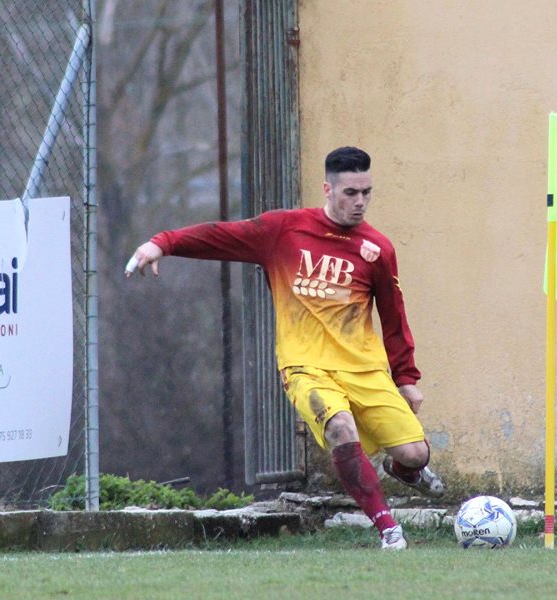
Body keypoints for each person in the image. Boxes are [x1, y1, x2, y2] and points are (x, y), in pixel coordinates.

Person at [126, 146, 444, 550]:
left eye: (366, 192)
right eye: (350, 193)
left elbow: (394, 315)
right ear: (328, 189)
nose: (360, 202)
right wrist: (163, 243)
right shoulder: (284, 230)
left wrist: (406, 378)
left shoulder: (377, 248)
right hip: (305, 366)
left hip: (364, 368)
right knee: (341, 429)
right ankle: (389, 530)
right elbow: (221, 236)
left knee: (415, 453)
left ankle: (407, 471)